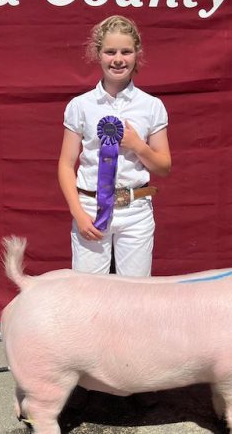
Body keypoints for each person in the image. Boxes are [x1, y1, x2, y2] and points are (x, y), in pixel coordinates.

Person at [57, 15, 172, 277]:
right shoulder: (80, 105)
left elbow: (164, 166)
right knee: (89, 295)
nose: (118, 59)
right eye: (110, 52)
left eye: (126, 52)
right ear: (98, 54)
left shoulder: (151, 106)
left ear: (136, 54)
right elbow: (65, 163)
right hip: (90, 208)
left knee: (135, 296)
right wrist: (78, 213)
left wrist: (137, 146)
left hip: (135, 212)